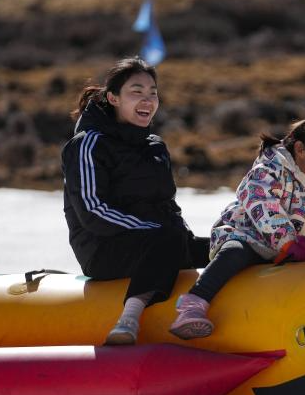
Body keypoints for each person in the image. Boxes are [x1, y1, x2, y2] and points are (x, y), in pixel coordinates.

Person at [61, 57, 210, 346]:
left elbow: (167, 206)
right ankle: (128, 319)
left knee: (224, 245)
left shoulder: (155, 145)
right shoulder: (87, 143)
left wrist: (182, 237)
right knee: (166, 238)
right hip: (103, 249)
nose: (148, 99)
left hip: (158, 241)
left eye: (153, 92)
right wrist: (157, 230)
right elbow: (92, 210)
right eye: (136, 92)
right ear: (113, 98)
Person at [170, 118, 305, 339]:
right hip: (246, 233)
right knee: (236, 251)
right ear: (300, 149)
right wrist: (286, 239)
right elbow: (260, 202)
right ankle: (194, 302)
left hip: (283, 249)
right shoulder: (269, 169)